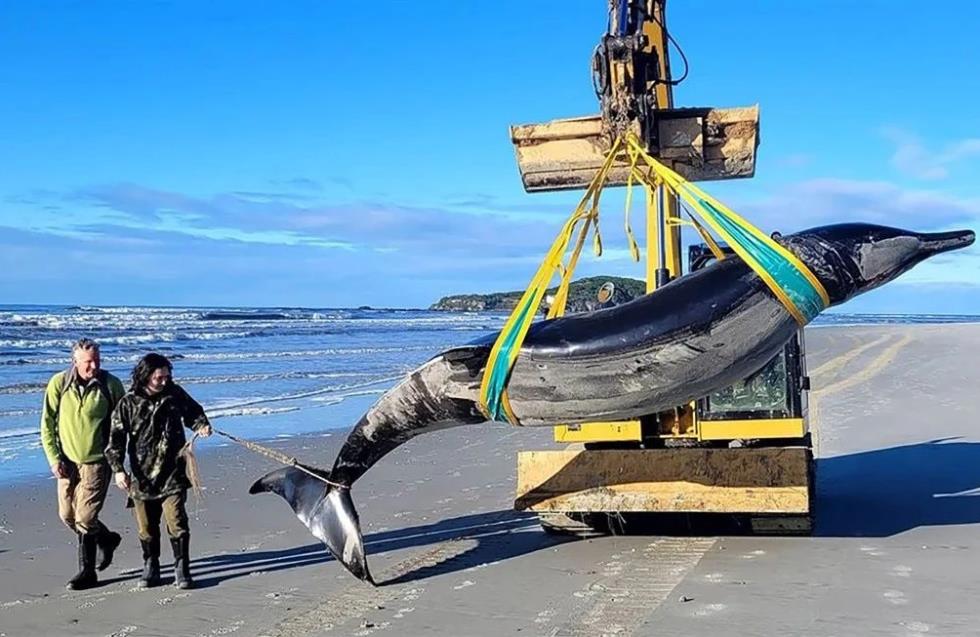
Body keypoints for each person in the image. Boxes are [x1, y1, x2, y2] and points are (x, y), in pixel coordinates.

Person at [106, 353, 212, 589]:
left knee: (177, 521)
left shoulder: (174, 394)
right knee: (146, 527)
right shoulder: (128, 403)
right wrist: (118, 470)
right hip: (142, 478)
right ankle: (151, 565)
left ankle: (182, 568)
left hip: (173, 472)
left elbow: (194, 412)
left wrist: (201, 425)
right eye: (159, 378)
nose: (165, 381)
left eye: (167, 376)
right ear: (145, 376)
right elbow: (115, 440)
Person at [40, 338, 126, 590]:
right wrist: (54, 458)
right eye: (88, 362)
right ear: (75, 361)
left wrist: (118, 460)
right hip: (67, 463)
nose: (93, 366)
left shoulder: (111, 385)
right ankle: (107, 539)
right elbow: (47, 424)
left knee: (85, 517)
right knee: (67, 515)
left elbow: (122, 425)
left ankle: (87, 572)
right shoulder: (59, 383)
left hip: (97, 462)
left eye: (97, 360)